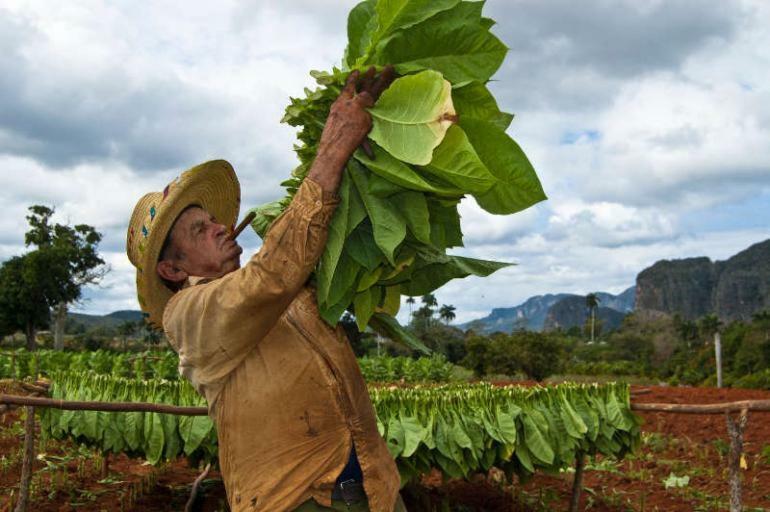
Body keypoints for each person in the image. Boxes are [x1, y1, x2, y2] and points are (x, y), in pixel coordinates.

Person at [125, 67, 407, 512]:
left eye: (215, 220)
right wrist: (332, 150)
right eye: (200, 230)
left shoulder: (291, 291)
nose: (220, 228)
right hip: (296, 499)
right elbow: (268, 278)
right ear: (172, 269)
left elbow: (297, 267)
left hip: (373, 486)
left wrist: (372, 154)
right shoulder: (187, 315)